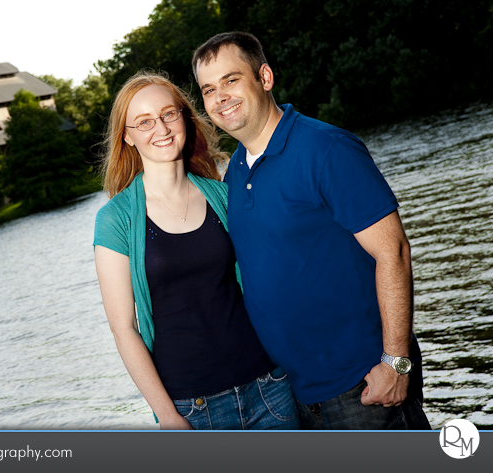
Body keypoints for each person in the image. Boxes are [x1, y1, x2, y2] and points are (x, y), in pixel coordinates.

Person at [192, 32, 431, 430]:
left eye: (231, 80)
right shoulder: (234, 170)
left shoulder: (326, 149)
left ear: (264, 77)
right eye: (209, 89)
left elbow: (395, 253)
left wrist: (396, 362)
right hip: (293, 394)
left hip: (364, 384)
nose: (221, 97)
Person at [92, 71, 300, 430]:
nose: (161, 127)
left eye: (168, 114)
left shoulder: (222, 195)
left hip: (270, 387)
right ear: (127, 137)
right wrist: (168, 415)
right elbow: (124, 329)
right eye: (144, 122)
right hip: (193, 409)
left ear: (184, 117)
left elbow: (275, 279)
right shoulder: (116, 220)